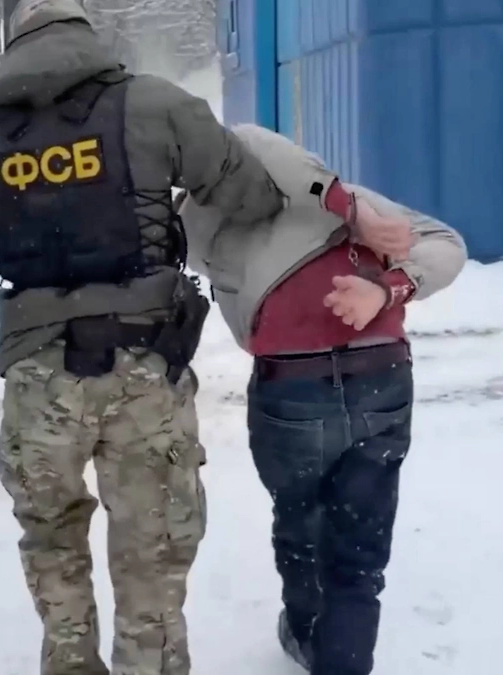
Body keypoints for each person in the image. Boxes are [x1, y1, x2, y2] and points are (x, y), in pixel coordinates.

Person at [0, 0, 373, 671]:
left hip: (35, 376)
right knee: (151, 550)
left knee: (50, 539)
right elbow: (248, 191)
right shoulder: (150, 104)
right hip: (140, 365)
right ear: (86, 35)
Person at [178, 124, 466, 675]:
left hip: (294, 388)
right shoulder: (352, 202)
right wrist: (388, 286)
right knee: (358, 551)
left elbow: (245, 138)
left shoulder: (200, 221)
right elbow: (446, 245)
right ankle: (341, 659)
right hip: (380, 377)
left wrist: (372, 260)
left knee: (301, 525)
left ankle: (309, 633)